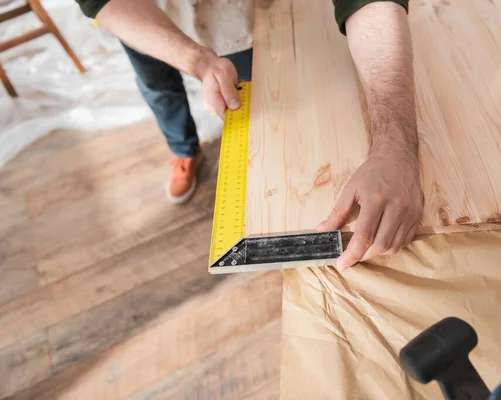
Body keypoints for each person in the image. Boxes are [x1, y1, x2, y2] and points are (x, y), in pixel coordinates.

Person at [76, 0, 423, 270]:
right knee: (158, 87)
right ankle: (184, 150)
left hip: (229, 11)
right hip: (141, 13)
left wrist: (395, 148)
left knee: (246, 90)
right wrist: (196, 59)